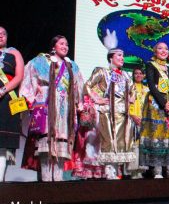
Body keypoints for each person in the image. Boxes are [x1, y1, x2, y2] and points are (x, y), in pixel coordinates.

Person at [20, 35, 84, 182]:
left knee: (62, 144)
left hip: (65, 108)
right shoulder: (41, 61)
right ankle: (46, 180)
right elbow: (29, 77)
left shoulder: (72, 66)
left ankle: (59, 179)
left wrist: (79, 104)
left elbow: (79, 87)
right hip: (47, 105)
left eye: (67, 44)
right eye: (61, 43)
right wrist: (31, 98)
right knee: (46, 143)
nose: (65, 46)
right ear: (53, 46)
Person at [84, 45, 136, 180]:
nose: (122, 58)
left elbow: (133, 89)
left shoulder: (125, 75)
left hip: (123, 114)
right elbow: (87, 85)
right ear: (111, 57)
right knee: (109, 141)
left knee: (120, 143)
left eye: (123, 56)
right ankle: (108, 171)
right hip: (107, 113)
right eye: (119, 55)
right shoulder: (102, 72)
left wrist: (132, 97)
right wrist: (97, 99)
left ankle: (115, 171)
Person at [140, 42, 169, 178]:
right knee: (157, 135)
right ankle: (157, 171)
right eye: (160, 48)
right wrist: (164, 103)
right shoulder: (150, 65)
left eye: (166, 49)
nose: (164, 51)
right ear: (154, 51)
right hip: (155, 104)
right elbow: (151, 85)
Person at [0, 26, 25, 182]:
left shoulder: (14, 53)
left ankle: (1, 180)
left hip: (7, 100)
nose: (0, 36)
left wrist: (2, 90)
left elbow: (19, 76)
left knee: (3, 142)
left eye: (3, 34)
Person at [125, 67, 149, 179]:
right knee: (133, 144)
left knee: (142, 145)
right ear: (133, 75)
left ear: (144, 76)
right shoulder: (129, 88)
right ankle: (133, 171)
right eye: (136, 73)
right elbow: (126, 104)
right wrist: (132, 115)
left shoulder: (147, 89)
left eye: (141, 73)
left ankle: (141, 169)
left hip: (144, 120)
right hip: (132, 118)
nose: (138, 75)